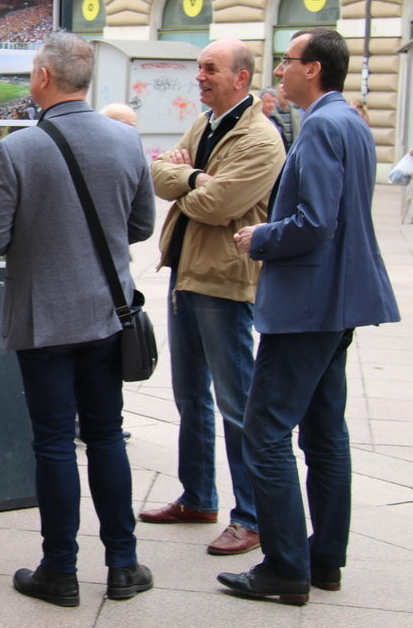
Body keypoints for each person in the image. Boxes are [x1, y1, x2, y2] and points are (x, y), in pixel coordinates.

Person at [0, 30, 156, 607]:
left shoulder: (19, 148)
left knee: (54, 442)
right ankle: (123, 564)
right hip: (108, 313)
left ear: (45, 79)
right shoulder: (127, 141)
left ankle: (60, 569)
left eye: (31, 72)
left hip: (44, 319)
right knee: (105, 436)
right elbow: (142, 226)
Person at [221, 28, 399, 605]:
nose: (280, 70)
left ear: (314, 69)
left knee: (266, 433)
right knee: (325, 435)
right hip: (338, 300)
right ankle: (324, 562)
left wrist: (260, 236)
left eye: (288, 61)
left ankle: (284, 566)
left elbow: (316, 221)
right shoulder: (349, 120)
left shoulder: (322, 125)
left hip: (307, 305)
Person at [143, 38, 284, 557]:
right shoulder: (206, 124)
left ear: (241, 78)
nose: (199, 76)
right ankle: (198, 497)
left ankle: (250, 516)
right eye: (199, 67)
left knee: (235, 404)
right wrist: (192, 176)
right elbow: (160, 175)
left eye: (210, 69)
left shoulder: (261, 139)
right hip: (186, 274)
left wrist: (188, 179)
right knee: (190, 397)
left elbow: (216, 204)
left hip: (223, 283)